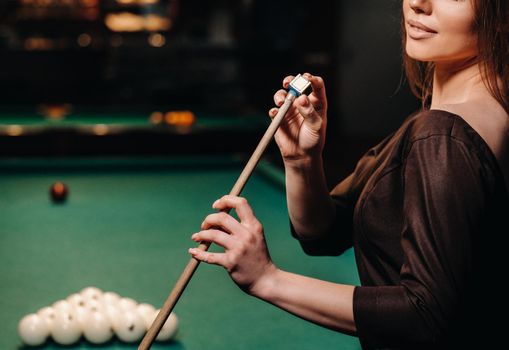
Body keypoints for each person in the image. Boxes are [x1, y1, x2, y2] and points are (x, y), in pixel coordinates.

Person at [189, 0, 509, 348]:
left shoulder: (443, 135)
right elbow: (323, 233)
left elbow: (427, 316)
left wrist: (268, 280)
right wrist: (301, 159)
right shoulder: (457, 118)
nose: (418, 3)